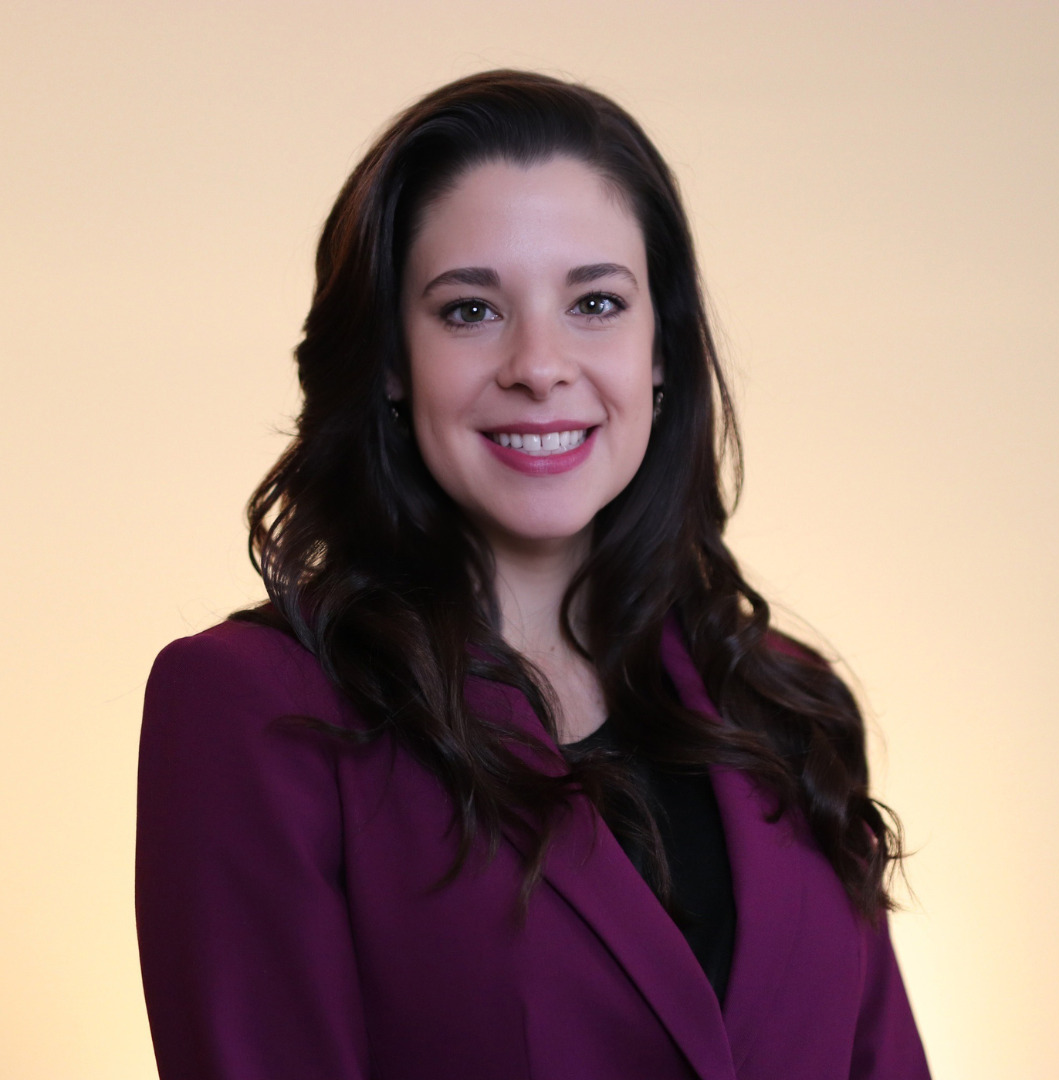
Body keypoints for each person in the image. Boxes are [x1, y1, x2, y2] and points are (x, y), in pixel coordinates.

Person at [135, 69, 932, 1080]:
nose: (541, 363)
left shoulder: (785, 702)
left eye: (596, 301)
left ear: (660, 350)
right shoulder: (254, 712)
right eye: (470, 312)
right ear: (389, 359)